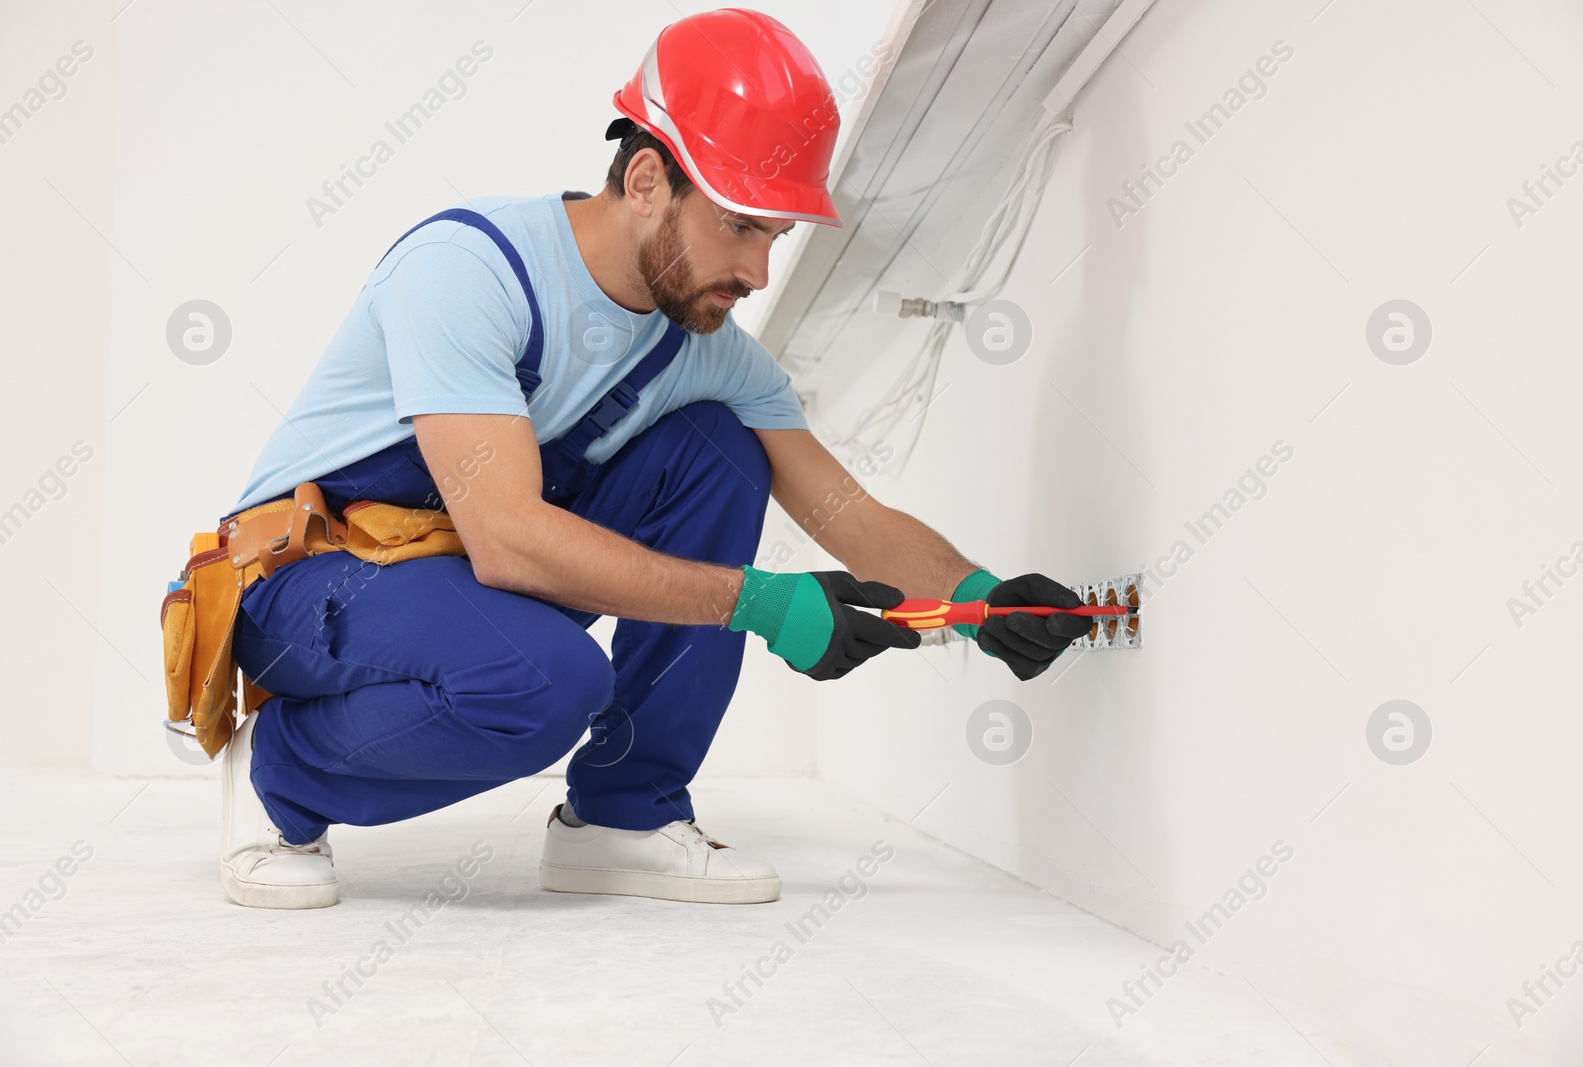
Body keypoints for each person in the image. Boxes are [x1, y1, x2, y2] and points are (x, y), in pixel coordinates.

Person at [217, 7, 1092, 910]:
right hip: (311, 582)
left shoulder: (705, 348)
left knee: (720, 448)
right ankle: (279, 773)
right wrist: (758, 602)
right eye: (741, 226)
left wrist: (981, 601)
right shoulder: (469, 270)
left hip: (449, 577)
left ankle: (623, 816)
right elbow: (510, 541)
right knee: (548, 680)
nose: (758, 271)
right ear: (645, 179)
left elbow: (849, 515)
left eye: (775, 239)